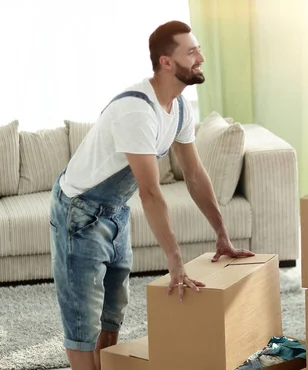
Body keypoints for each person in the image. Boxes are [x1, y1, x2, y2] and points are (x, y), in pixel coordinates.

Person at [49, 20, 254, 370]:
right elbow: (150, 193)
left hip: (114, 210)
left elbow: (194, 174)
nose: (201, 57)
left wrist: (222, 235)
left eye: (199, 48)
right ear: (166, 62)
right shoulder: (137, 111)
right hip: (79, 213)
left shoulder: (180, 108)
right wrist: (175, 261)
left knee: (113, 312)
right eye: (191, 52)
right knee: (83, 322)